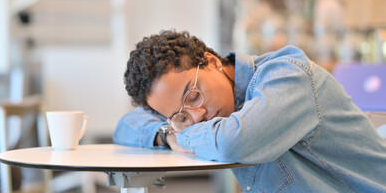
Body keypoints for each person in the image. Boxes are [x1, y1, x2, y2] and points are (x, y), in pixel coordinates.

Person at [113, 30, 386, 192]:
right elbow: (127, 125)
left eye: (193, 95)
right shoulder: (212, 110)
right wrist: (166, 132)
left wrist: (181, 134)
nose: (198, 117)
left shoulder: (288, 75)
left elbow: (234, 141)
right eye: (182, 116)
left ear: (210, 61)